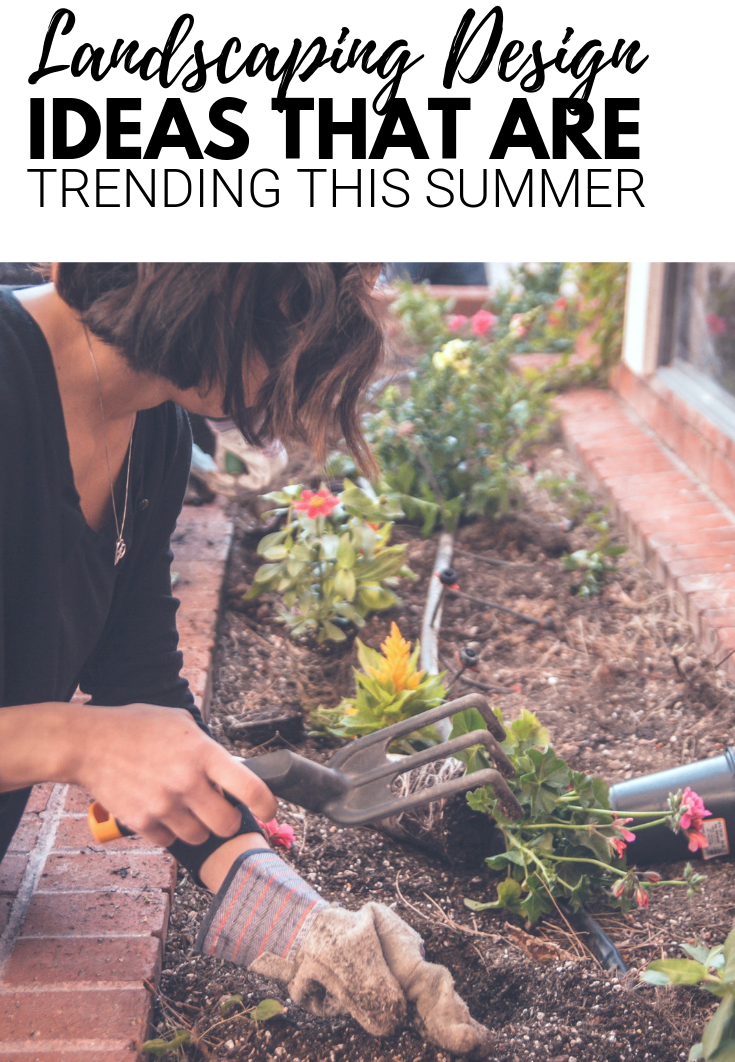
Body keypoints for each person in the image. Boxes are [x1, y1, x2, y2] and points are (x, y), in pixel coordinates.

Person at [0, 264, 492, 1059]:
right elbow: (105, 734)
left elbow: (148, 696)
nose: (298, 355)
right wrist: (77, 742)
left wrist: (305, 923)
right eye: (296, 314)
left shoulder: (151, 428)